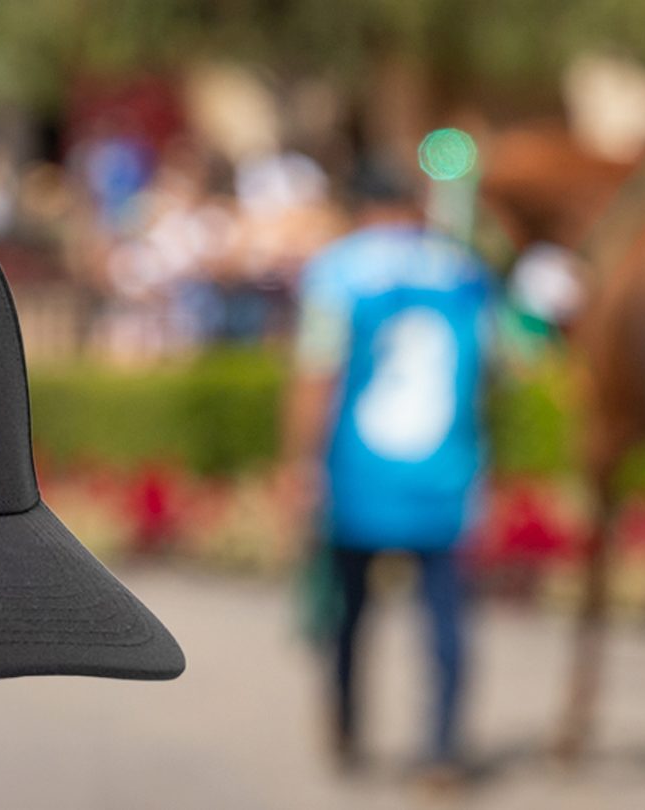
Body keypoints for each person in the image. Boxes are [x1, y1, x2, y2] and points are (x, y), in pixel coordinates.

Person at [279, 166, 493, 789]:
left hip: (357, 470)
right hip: (446, 470)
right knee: (446, 619)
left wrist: (298, 463)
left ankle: (347, 724)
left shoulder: (337, 270)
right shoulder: (464, 270)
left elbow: (316, 374)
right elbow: (490, 371)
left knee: (349, 611)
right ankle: (443, 748)